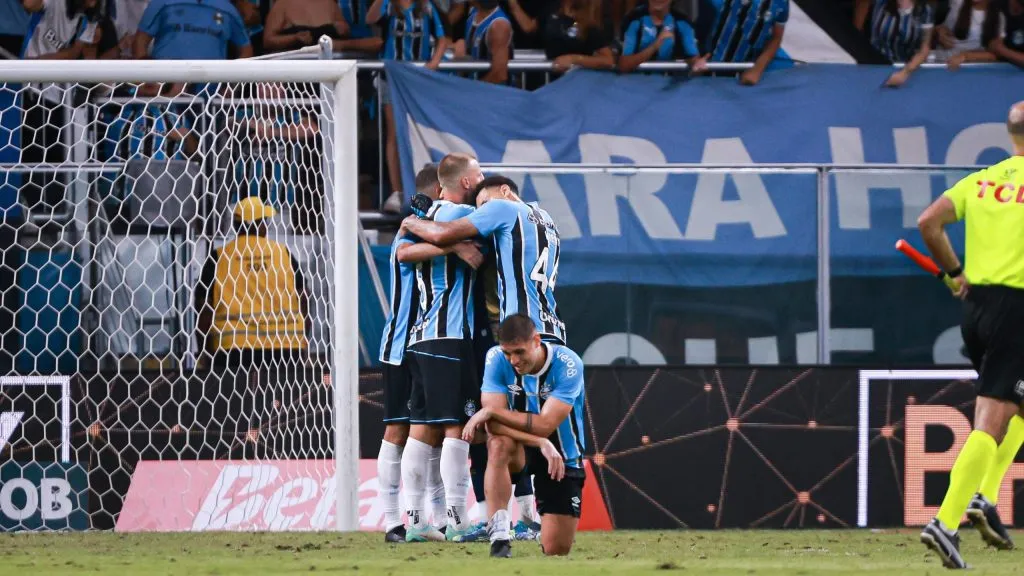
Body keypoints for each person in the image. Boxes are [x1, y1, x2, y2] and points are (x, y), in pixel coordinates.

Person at [915, 102, 1024, 569]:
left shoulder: (983, 180)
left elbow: (928, 223)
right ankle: (946, 521)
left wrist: (955, 273)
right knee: (993, 418)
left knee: (1016, 410)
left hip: (978, 309)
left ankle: (985, 497)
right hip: (1018, 308)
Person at [376, 163, 484, 543]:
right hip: (409, 341)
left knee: (431, 430)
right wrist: (453, 242)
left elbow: (415, 240)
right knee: (405, 429)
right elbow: (406, 253)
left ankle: (430, 518)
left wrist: (431, 232)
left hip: (418, 340)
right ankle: (398, 521)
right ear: (441, 194)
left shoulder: (417, 227)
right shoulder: (431, 227)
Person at [461, 313, 586, 558]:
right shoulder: (496, 359)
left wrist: (490, 411)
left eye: (519, 352)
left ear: (536, 341)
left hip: (561, 456)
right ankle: (499, 537)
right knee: (497, 444)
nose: (513, 360)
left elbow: (545, 425)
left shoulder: (568, 363)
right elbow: (493, 427)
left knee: (556, 549)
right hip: (522, 447)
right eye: (508, 353)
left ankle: (541, 522)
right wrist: (539, 442)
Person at [193, 197, 311, 455]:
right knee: (282, 420)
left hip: (233, 352)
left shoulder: (219, 257)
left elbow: (204, 310)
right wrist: (304, 344)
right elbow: (304, 300)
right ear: (261, 225)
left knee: (233, 420)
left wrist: (201, 350)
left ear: (236, 227)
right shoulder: (283, 254)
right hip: (283, 351)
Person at [401, 174, 567, 346]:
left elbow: (440, 234)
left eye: (485, 204)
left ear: (505, 190)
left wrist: (409, 223)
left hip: (522, 330)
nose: (482, 213)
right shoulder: (547, 219)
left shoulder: (503, 209)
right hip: (553, 327)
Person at [366, 0, 449, 213]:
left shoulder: (427, 6)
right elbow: (370, 19)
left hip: (417, 80)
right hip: (391, 78)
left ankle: (424, 191)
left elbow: (442, 38)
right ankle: (397, 192)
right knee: (394, 133)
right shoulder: (387, 5)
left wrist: (433, 64)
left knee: (416, 132)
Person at [699, 0, 787, 85]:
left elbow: (776, 38)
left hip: (746, 74)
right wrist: (694, 58)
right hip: (707, 69)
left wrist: (757, 68)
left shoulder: (781, 2)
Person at [133, 0, 253, 60]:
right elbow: (140, 41)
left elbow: (246, 50)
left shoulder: (227, 8)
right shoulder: (162, 2)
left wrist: (231, 87)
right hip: (164, 93)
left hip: (211, 98)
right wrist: (146, 80)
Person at [856, 0, 933, 86]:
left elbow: (924, 49)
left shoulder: (925, 10)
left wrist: (905, 72)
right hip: (873, 66)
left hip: (905, 69)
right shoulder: (881, 2)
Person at [618, 0, 708, 73]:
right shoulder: (634, 20)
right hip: (634, 85)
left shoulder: (683, 22)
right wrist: (655, 46)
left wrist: (697, 64)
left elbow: (692, 58)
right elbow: (624, 65)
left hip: (669, 89)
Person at [542, 0, 616, 74]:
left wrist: (574, 59)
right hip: (548, 78)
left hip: (577, 79)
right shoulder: (549, 13)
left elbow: (608, 60)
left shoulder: (588, 22)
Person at [452, 0, 514, 84]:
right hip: (475, 88)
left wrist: (472, 89)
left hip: (493, 93)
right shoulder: (473, 15)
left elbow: (500, 75)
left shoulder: (499, 26)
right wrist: (457, 45)